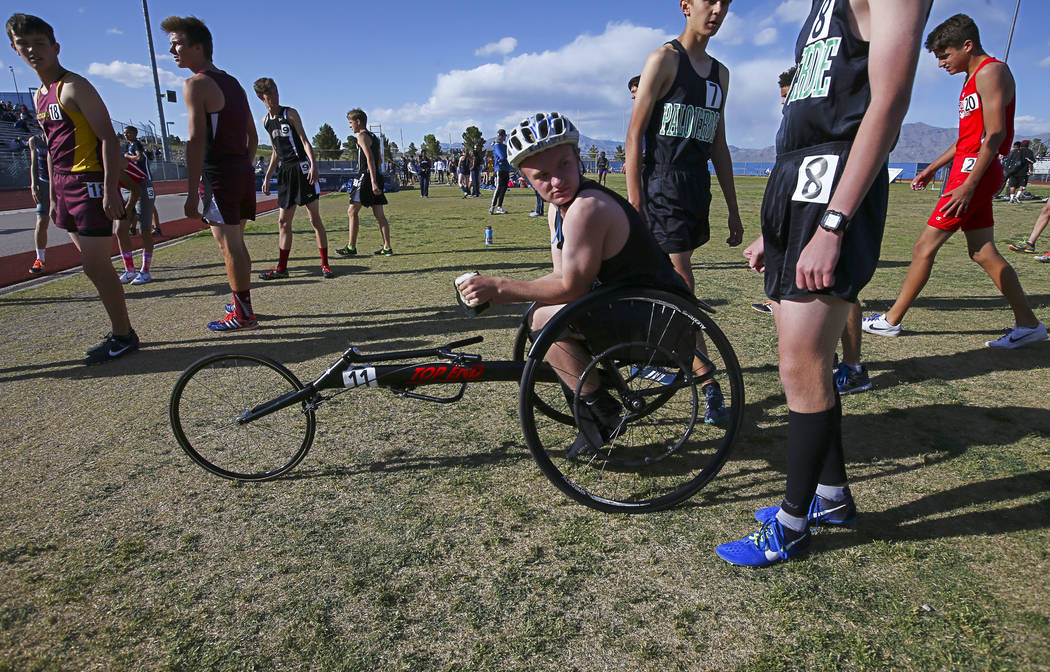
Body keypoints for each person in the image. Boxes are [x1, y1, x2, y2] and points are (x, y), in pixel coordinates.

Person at [717, 0, 933, 568]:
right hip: (800, 183)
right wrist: (779, 230)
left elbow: (886, 104)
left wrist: (832, 222)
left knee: (800, 365)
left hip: (832, 187)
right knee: (804, 363)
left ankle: (792, 526)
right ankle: (831, 497)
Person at [458, 112, 725, 455]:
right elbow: (561, 277)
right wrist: (499, 291)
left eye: (564, 165)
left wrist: (501, 289)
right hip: (640, 309)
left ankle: (602, 411)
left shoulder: (586, 208)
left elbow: (572, 288)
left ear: (577, 156)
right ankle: (596, 408)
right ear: (526, 180)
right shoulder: (560, 210)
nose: (556, 180)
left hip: (663, 322)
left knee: (544, 319)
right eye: (542, 176)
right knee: (539, 313)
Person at [862, 14, 1046, 349]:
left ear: (967, 44)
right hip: (967, 168)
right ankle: (1028, 324)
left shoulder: (992, 71)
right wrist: (932, 167)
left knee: (923, 247)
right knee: (982, 251)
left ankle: (891, 321)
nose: (942, 63)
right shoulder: (971, 78)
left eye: (945, 55)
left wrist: (969, 184)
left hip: (975, 172)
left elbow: (994, 135)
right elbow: (967, 138)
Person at [9, 12, 139, 364]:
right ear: (13, 49)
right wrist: (52, 195)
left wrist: (111, 189)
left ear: (55, 47)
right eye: (24, 45)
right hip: (64, 185)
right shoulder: (39, 94)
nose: (33, 50)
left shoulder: (73, 86)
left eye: (40, 43)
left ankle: (124, 335)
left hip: (90, 182)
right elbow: (52, 146)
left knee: (96, 265)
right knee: (93, 266)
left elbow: (109, 139)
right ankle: (121, 332)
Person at [626, 0, 744, 296]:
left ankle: (662, 339)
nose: (718, 10)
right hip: (662, 184)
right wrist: (636, 203)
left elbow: (719, 145)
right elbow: (634, 134)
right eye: (709, 1)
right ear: (686, 6)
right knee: (682, 282)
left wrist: (733, 210)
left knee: (667, 278)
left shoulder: (721, 74)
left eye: (725, 3)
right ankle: (696, 342)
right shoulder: (663, 59)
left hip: (697, 185)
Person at [165, 15, 259, 331]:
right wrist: (243, 167)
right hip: (239, 170)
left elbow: (195, 140)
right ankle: (242, 304)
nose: (172, 51)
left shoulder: (195, 84)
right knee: (236, 241)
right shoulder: (233, 83)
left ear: (198, 46)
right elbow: (253, 136)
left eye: (177, 44)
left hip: (218, 174)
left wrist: (192, 192)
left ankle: (244, 314)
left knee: (228, 243)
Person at [253, 77, 333, 281]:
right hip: (285, 173)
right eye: (270, 94)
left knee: (314, 219)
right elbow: (275, 150)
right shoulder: (265, 121)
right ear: (261, 97)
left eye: (276, 92)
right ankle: (282, 268)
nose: (275, 97)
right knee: (283, 222)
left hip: (302, 168)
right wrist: (268, 175)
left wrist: (314, 165)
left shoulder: (290, 113)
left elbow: (305, 140)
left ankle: (325, 264)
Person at [336, 108, 392, 256]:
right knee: (379, 214)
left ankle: (351, 247)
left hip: (366, 178)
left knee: (352, 211)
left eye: (350, 122)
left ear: (358, 122)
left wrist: (371, 180)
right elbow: (379, 159)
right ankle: (387, 247)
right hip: (374, 175)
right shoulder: (374, 136)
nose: (350, 126)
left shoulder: (361, 136)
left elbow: (370, 159)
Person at [114, 157, 156, 285]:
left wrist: (128, 208)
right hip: (125, 189)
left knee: (145, 230)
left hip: (141, 187)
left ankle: (145, 272)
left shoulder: (109, 159)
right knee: (120, 230)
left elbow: (136, 190)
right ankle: (130, 270)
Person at [122, 126, 161, 236]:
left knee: (150, 205)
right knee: (134, 203)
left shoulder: (136, 144)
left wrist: (127, 156)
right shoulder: (128, 146)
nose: (126, 135)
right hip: (135, 179)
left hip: (144, 178)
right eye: (125, 133)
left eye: (128, 133)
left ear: (135, 133)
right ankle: (133, 228)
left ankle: (157, 228)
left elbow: (139, 158)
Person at [27, 131, 49, 274]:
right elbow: (34, 163)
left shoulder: (62, 136)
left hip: (61, 183)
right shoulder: (35, 140)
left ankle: (86, 254)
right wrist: (34, 184)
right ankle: (40, 259)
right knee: (41, 221)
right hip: (44, 184)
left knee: (71, 223)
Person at [489, 129, 510, 215]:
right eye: (504, 136)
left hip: (506, 168)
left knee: (504, 189)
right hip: (500, 169)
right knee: (499, 188)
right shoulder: (497, 145)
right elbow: (502, 156)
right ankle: (492, 207)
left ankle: (499, 207)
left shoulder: (504, 146)